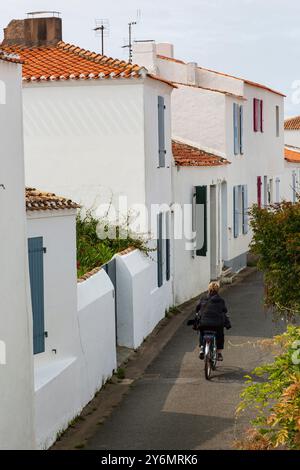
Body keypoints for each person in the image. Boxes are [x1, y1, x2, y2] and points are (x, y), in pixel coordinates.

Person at [194, 281, 231, 361]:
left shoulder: (203, 298)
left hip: (204, 323)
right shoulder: (221, 300)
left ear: (209, 289)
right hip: (216, 325)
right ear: (217, 290)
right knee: (220, 334)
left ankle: (201, 348)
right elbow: (224, 310)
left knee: (201, 331)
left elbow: (197, 308)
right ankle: (219, 353)